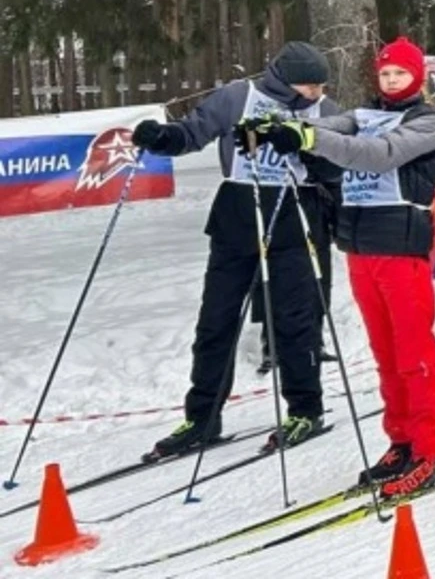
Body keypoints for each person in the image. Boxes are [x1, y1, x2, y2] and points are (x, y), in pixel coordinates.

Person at [132, 42, 338, 457]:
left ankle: (305, 409)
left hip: (295, 215)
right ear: (283, 78)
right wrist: (161, 138)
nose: (315, 93)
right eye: (308, 85)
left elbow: (338, 164)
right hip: (238, 213)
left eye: (320, 85)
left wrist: (303, 149)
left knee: (295, 321)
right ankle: (201, 417)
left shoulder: (326, 110)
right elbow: (193, 132)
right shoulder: (238, 96)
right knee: (216, 320)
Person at [265, 38, 435, 497]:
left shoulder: (428, 121)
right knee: (386, 353)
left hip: (400, 245)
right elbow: (326, 126)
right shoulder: (364, 114)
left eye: (399, 75)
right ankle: (401, 440)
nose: (391, 82)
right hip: (360, 246)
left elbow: (378, 154)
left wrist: (309, 138)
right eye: (385, 74)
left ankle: (429, 451)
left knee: (414, 354)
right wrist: (273, 127)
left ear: (417, 78)